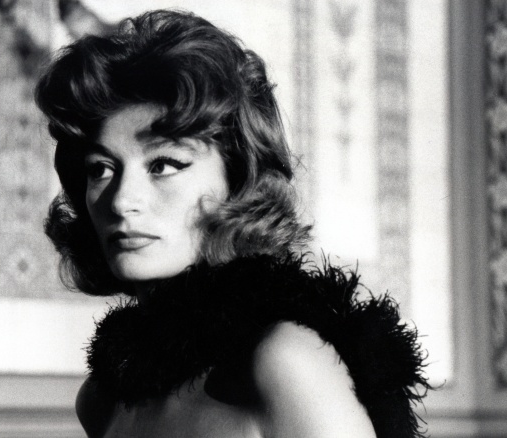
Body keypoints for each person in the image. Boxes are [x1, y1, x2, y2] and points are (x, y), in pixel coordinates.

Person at [35, 9, 428, 438]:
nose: (122, 200)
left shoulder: (285, 361)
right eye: (101, 169)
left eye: (163, 165)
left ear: (236, 181)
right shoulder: (102, 398)